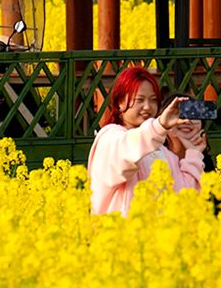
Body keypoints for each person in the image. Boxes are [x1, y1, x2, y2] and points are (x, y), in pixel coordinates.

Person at [87, 66, 206, 216]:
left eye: (153, 100)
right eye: (139, 100)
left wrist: (193, 153)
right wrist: (159, 126)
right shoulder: (109, 138)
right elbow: (129, 150)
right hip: (119, 237)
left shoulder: (161, 152)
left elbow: (184, 196)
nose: (147, 107)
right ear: (120, 103)